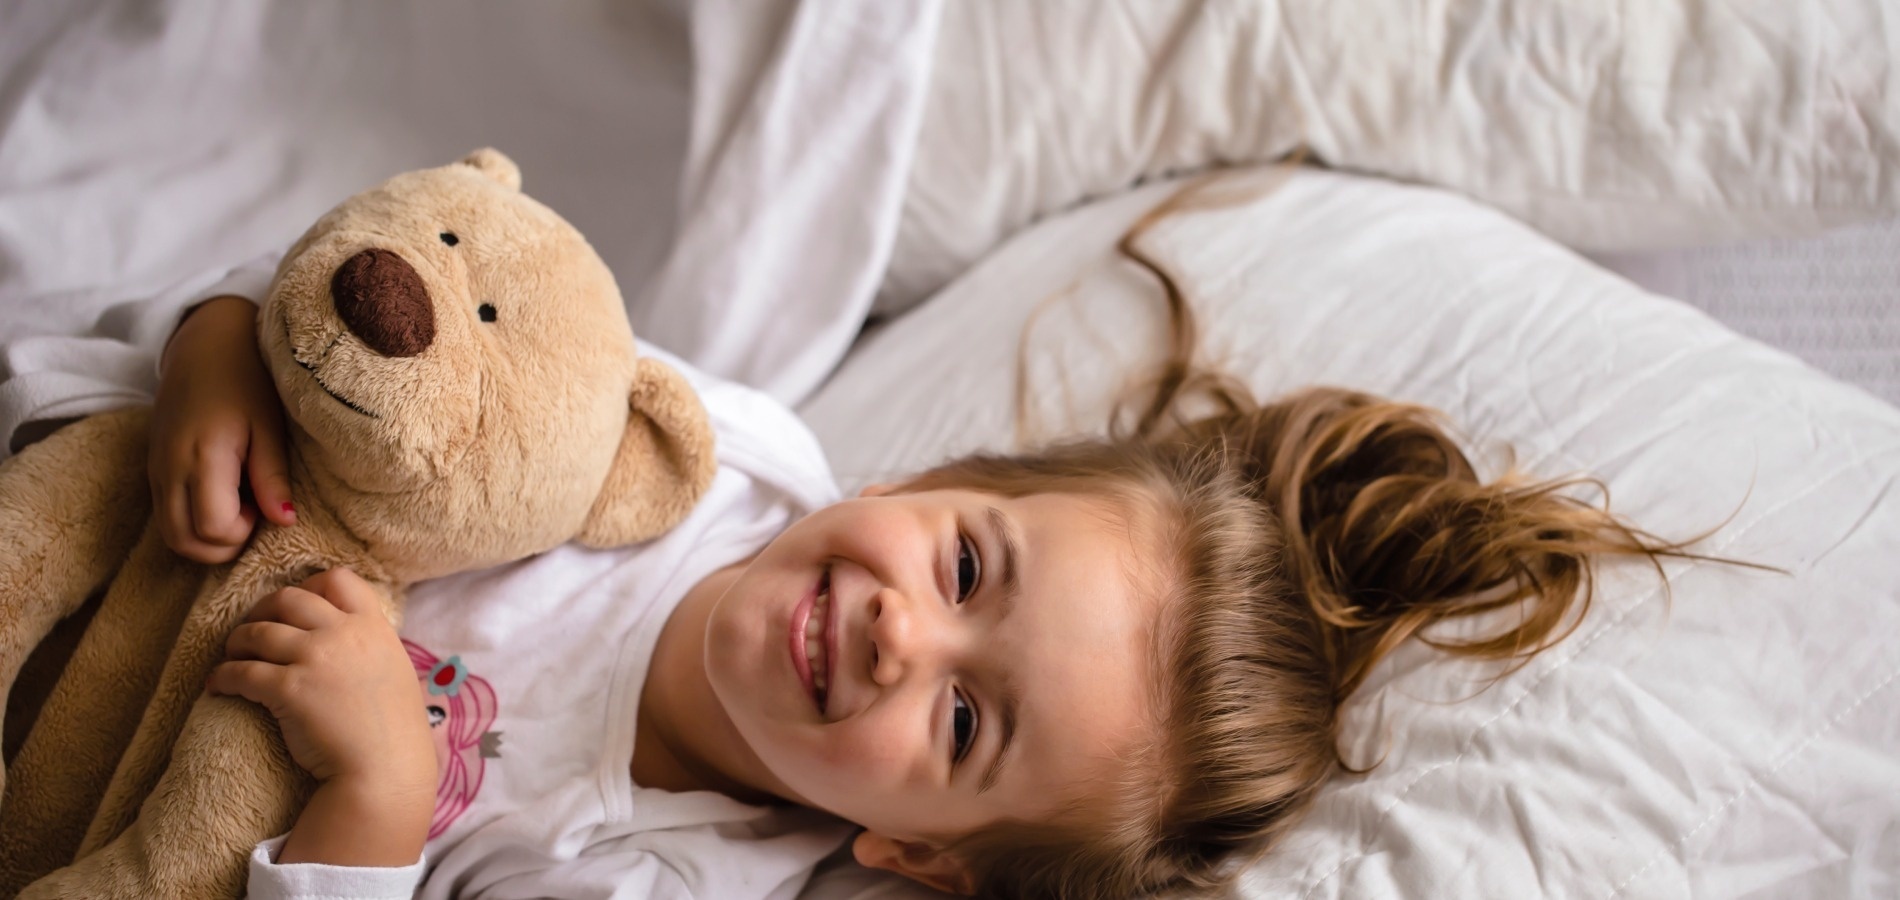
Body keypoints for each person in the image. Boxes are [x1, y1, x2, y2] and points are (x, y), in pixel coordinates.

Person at [107, 225, 1696, 900]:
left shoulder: (649, 871)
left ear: (924, 854)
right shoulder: (700, 452)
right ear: (930, 481)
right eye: (964, 568)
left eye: (961, 726)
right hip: (82, 505)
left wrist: (371, 814)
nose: (897, 641)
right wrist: (224, 341)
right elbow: (407, 311)